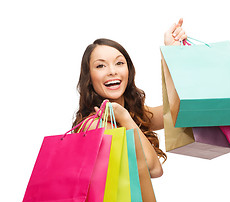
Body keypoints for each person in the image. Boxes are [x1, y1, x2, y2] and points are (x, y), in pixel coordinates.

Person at [73, 18, 187, 178]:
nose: (112, 71)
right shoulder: (95, 125)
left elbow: (180, 110)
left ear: (129, 71)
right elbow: (153, 169)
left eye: (119, 63)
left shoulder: (135, 113)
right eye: (100, 66)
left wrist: (173, 53)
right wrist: (125, 118)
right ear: (89, 78)